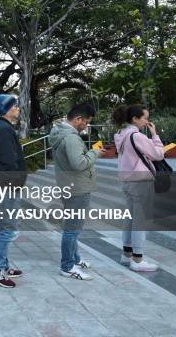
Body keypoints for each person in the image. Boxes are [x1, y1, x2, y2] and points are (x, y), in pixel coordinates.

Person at [49, 103, 106, 281]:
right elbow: (79, 163)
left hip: (68, 185)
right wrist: (95, 153)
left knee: (73, 226)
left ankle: (75, 259)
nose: (86, 126)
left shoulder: (59, 133)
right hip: (77, 188)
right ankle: (67, 266)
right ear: (78, 119)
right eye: (86, 122)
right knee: (72, 229)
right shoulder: (71, 137)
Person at [113, 104, 163, 272]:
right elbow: (158, 154)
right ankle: (138, 259)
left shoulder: (120, 134)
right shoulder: (137, 136)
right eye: (145, 118)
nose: (147, 122)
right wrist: (155, 135)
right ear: (134, 118)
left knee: (131, 218)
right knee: (140, 221)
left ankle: (126, 255)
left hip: (127, 181)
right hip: (141, 182)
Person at [0, 94, 26, 288]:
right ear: (7, 109)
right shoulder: (4, 129)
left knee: (2, 227)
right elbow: (8, 162)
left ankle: (3, 264)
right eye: (15, 106)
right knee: (9, 228)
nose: (17, 109)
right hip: (6, 187)